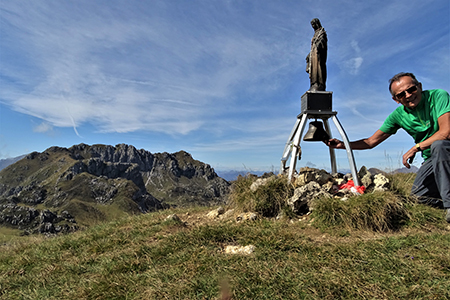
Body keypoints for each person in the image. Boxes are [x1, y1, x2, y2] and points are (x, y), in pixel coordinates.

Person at [325, 72, 450, 223]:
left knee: (439, 145)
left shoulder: (438, 97)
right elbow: (371, 142)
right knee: (418, 198)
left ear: (420, 86)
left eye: (411, 89)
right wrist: (343, 145)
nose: (408, 95)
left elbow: (445, 132)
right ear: (396, 100)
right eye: (401, 95)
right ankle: (445, 202)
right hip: (432, 159)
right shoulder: (398, 115)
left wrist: (416, 147)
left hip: (445, 150)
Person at [306, 18, 327, 92]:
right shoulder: (315, 33)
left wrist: (319, 45)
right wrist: (309, 54)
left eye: (314, 24)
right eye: (312, 25)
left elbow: (322, 41)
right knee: (313, 69)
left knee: (318, 68)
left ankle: (319, 84)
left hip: (318, 54)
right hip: (313, 54)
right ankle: (314, 83)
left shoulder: (322, 32)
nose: (313, 26)